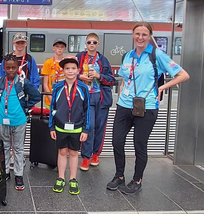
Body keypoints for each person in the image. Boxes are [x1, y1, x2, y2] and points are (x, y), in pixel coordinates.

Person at [107, 22, 189, 195]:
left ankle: (137, 180)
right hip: (124, 105)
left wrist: (162, 88)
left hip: (147, 106)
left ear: (150, 36)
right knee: (116, 141)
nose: (140, 38)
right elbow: (124, 79)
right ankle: (119, 175)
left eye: (144, 34)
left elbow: (183, 75)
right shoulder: (128, 55)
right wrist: (121, 96)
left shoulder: (157, 55)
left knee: (139, 145)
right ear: (132, 35)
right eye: (137, 34)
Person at [0, 54, 41, 191]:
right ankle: (6, 171)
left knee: (18, 148)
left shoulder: (23, 82)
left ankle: (18, 175)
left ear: (18, 68)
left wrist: (25, 106)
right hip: (3, 119)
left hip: (19, 120)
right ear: (4, 68)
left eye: (13, 67)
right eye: (8, 68)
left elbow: (36, 95)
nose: (11, 70)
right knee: (5, 146)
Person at [49, 56, 90, 195]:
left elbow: (87, 109)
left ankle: (73, 178)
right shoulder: (58, 87)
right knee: (62, 152)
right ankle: (61, 177)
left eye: (73, 68)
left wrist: (85, 129)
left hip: (77, 127)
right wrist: (51, 126)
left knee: (73, 152)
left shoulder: (83, 87)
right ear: (63, 71)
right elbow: (52, 108)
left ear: (78, 70)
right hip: (60, 126)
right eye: (67, 68)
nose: (70, 71)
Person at [76, 33, 115, 171]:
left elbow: (112, 80)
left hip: (101, 97)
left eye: (94, 42)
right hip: (86, 97)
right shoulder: (79, 58)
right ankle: (85, 157)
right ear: (85, 44)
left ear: (98, 44)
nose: (91, 44)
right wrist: (80, 76)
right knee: (89, 126)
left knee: (100, 126)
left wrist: (99, 76)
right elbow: (69, 72)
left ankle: (95, 154)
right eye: (89, 42)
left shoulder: (103, 60)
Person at [41, 37, 67, 109]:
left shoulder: (67, 62)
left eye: (62, 47)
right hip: (50, 99)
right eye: (57, 46)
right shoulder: (48, 62)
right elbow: (45, 84)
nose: (59, 49)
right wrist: (50, 98)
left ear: (64, 49)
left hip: (64, 99)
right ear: (53, 48)